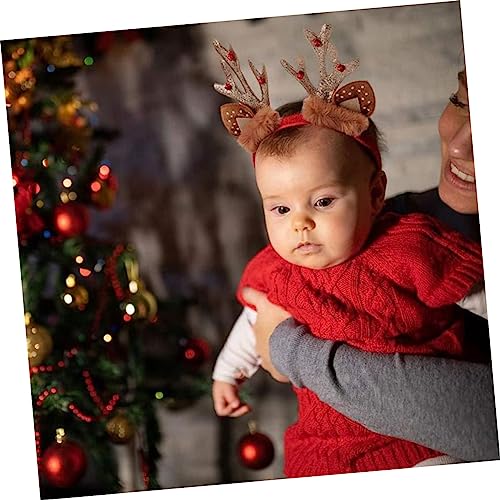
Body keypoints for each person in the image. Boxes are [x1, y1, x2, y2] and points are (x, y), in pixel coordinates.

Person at [210, 25, 486, 477]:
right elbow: (255, 321)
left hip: (417, 441)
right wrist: (228, 373)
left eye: (322, 202)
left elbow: (474, 290)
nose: (299, 223)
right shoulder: (278, 269)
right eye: (280, 208)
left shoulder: (409, 246)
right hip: (326, 443)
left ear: (376, 194)